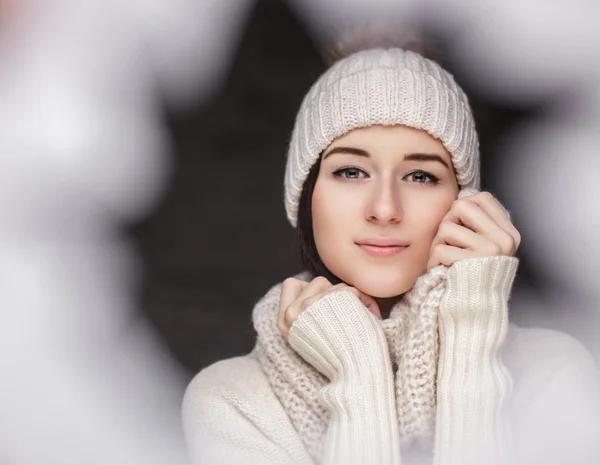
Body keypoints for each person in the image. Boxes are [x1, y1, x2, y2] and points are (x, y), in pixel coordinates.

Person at [181, 45, 600, 465]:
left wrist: (471, 331)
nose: (384, 209)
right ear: (307, 196)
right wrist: (359, 373)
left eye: (421, 176)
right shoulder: (233, 402)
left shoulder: (553, 373)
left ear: (465, 201)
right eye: (351, 172)